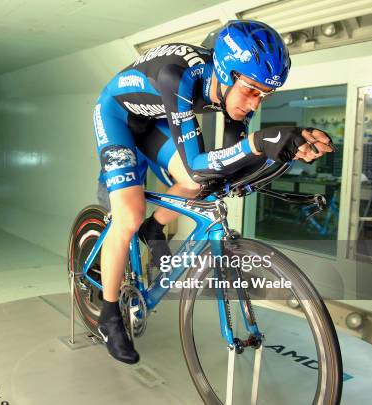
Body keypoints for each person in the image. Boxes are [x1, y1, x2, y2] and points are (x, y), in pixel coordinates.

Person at [92, 20, 334, 364]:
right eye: (251, 90)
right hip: (116, 115)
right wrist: (260, 142)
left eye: (265, 95)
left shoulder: (231, 90)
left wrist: (287, 149)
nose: (254, 104)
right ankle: (108, 313)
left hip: (155, 118)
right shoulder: (178, 76)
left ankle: (155, 225)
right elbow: (199, 163)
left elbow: (229, 165)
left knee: (202, 183)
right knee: (129, 214)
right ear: (226, 72)